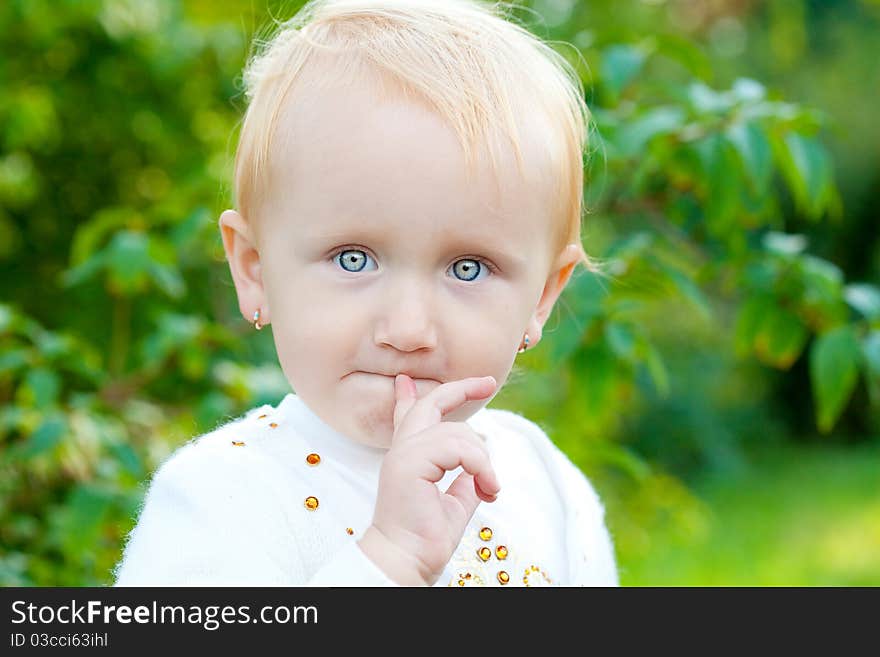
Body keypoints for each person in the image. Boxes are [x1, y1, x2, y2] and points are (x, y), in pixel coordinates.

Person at [112, 0, 618, 587]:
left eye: (469, 268)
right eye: (354, 259)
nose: (407, 330)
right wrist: (390, 561)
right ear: (255, 269)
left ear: (541, 297)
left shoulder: (547, 487)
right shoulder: (223, 497)